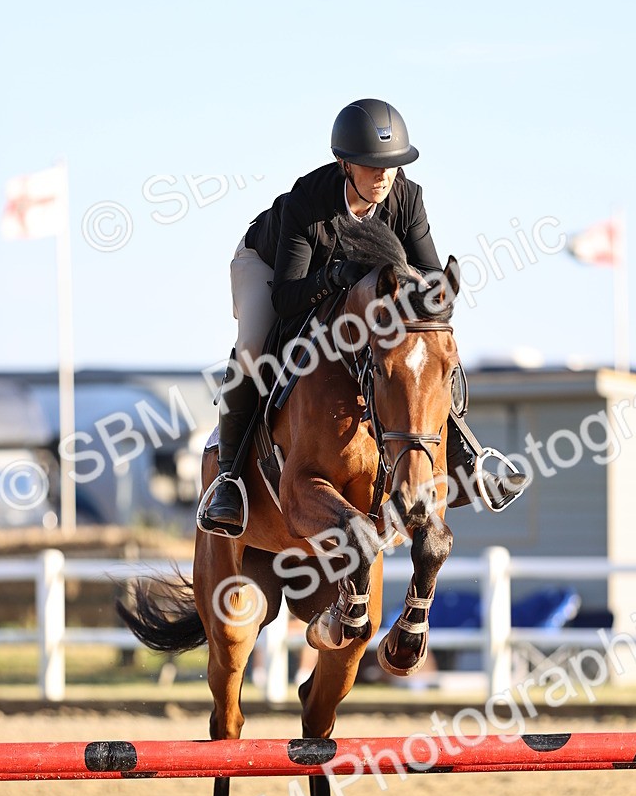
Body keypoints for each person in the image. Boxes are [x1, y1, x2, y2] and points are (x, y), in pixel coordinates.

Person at [200, 98, 523, 533]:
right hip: (270, 268)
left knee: (420, 350)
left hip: (358, 287)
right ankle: (230, 478)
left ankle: (466, 452)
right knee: (255, 348)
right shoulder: (306, 203)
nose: (383, 177)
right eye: (372, 166)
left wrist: (419, 302)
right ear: (344, 164)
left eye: (391, 166)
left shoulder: (407, 198)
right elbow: (287, 298)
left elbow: (428, 273)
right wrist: (334, 275)